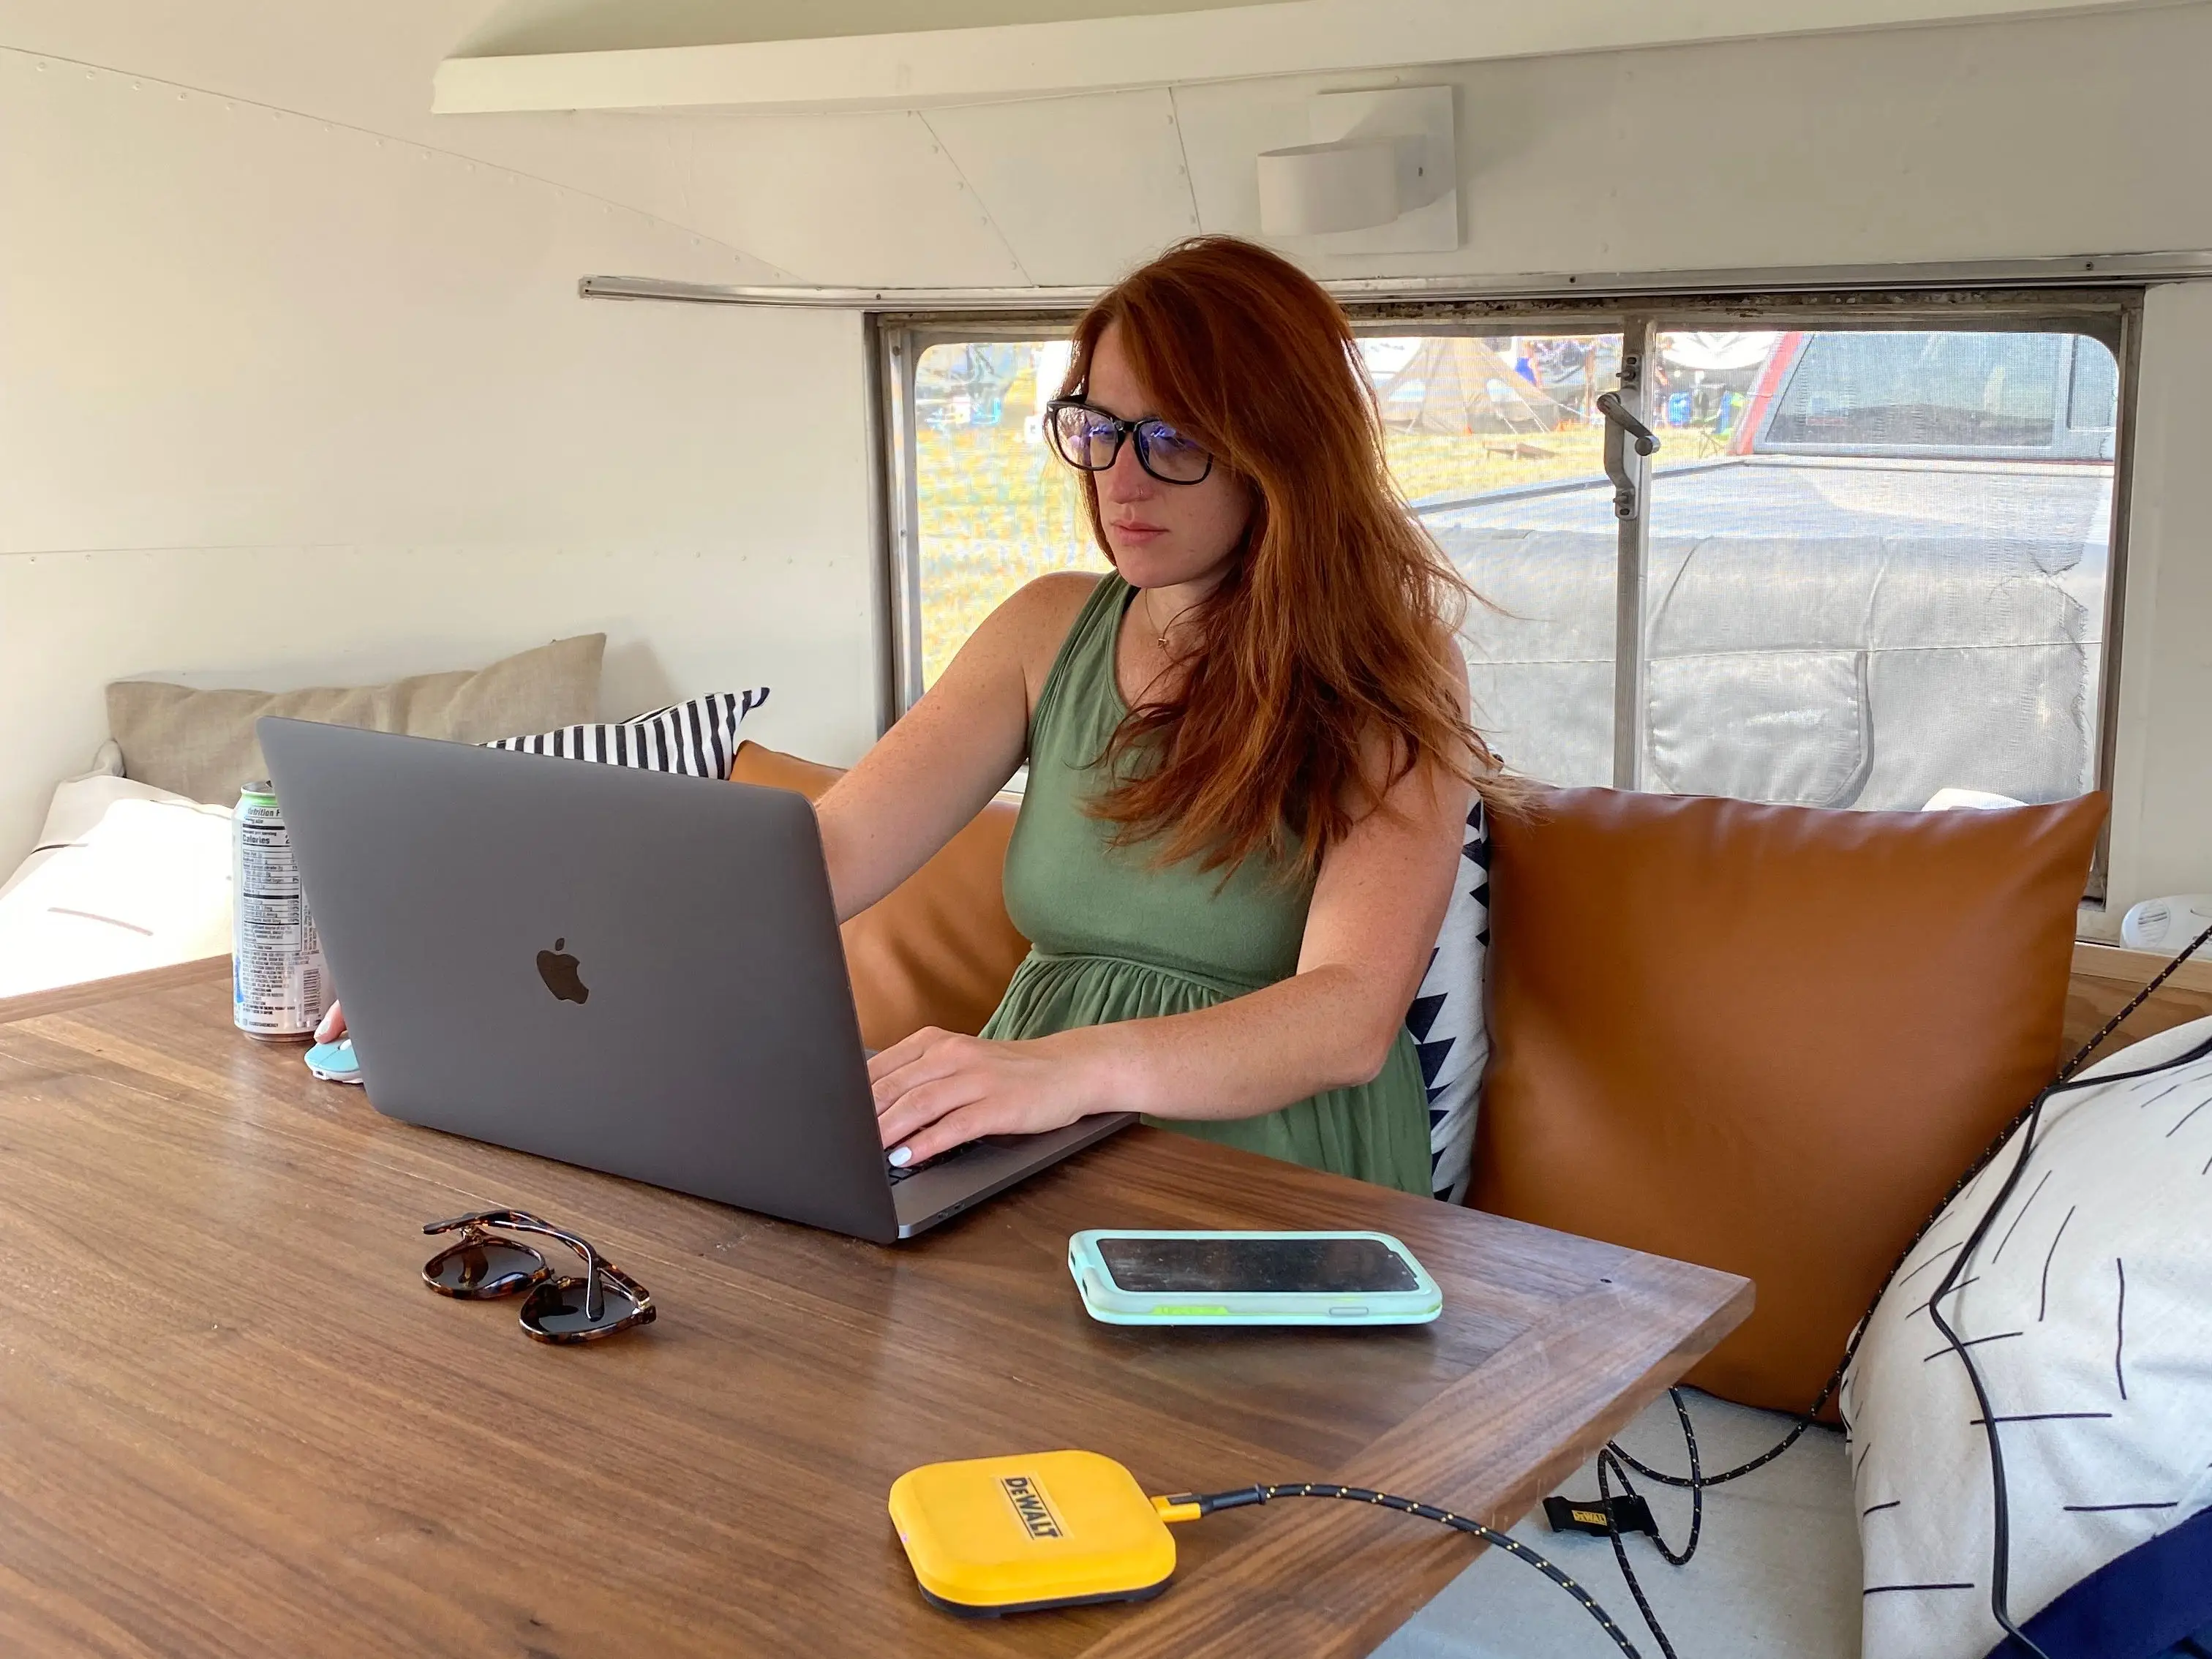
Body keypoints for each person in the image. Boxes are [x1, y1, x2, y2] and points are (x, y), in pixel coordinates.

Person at [320, 235, 1504, 1197]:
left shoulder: (1392, 677)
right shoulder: (1049, 628)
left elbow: (1348, 1017)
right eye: (1096, 428)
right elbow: (823, 853)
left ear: (1280, 452)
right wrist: (483, 957)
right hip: (1037, 1131)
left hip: (1273, 1164)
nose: (1119, 479)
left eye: (1174, 439)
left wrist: (1057, 1074)